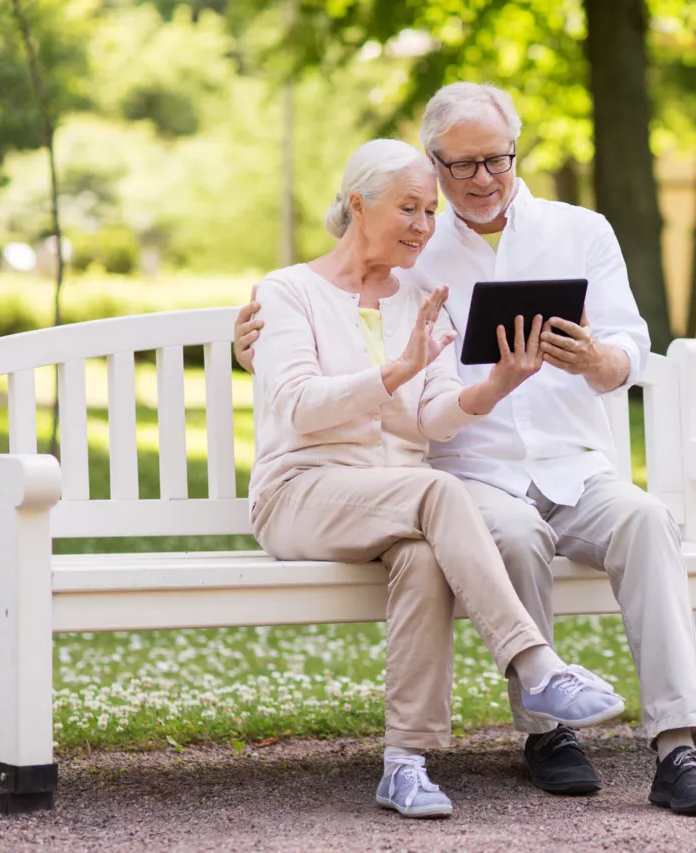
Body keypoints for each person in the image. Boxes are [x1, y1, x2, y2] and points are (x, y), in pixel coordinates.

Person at [237, 84, 696, 817]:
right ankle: (549, 725)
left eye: (495, 159)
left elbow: (630, 343)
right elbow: (322, 314)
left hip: (572, 464)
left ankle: (679, 745)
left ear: (516, 149)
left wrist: (597, 361)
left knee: (647, 519)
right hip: (465, 476)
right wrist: (245, 341)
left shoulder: (579, 230)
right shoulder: (412, 250)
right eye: (456, 168)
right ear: (431, 164)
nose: (478, 180)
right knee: (513, 532)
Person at [249, 138, 624, 820]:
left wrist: (499, 386)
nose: (424, 226)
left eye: (429, 210)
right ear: (358, 204)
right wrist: (397, 368)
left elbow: (435, 419)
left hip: (396, 502)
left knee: (425, 556)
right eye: (409, 208)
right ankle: (535, 664)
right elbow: (301, 406)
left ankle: (405, 763)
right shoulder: (288, 291)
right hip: (302, 492)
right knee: (440, 492)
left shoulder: (420, 295)